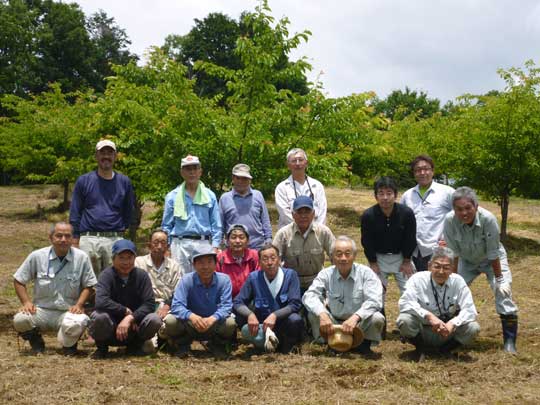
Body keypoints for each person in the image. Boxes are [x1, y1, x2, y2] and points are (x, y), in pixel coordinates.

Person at [443, 186, 519, 354]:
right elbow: (453, 253)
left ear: (476, 206)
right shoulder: (449, 221)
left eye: (468, 208)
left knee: (503, 293)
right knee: (452, 294)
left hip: (492, 260)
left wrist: (499, 279)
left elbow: (493, 252)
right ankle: (452, 335)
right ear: (453, 209)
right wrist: (455, 280)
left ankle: (509, 341)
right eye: (459, 209)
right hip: (466, 260)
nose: (464, 213)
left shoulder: (488, 219)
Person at [13, 222, 97, 355]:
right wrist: (26, 302)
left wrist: (79, 304)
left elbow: (90, 285)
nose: (63, 240)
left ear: (72, 238)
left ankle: (68, 345)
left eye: (67, 236)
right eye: (59, 236)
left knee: (79, 321)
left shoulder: (81, 257)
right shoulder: (37, 256)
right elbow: (18, 280)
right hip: (41, 310)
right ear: (51, 238)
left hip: (67, 311)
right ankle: (36, 341)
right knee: (20, 319)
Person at [303, 236, 385, 355]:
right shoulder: (326, 274)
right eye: (339, 254)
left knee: (377, 318)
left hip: (359, 323)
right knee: (313, 313)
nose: (343, 258)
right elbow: (309, 295)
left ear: (354, 256)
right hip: (333, 323)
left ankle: (363, 345)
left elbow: (375, 300)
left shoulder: (366, 273)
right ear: (332, 257)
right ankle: (331, 344)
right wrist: (322, 313)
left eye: (348, 253)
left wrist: (356, 317)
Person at [397, 247, 480, 358]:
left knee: (473, 327)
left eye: (446, 268)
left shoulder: (458, 281)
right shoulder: (417, 279)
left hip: (447, 332)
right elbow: (405, 303)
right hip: (423, 329)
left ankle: (444, 350)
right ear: (429, 266)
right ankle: (421, 349)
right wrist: (429, 316)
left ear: (452, 269)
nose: (441, 272)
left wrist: (453, 323)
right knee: (404, 320)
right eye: (437, 266)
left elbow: (470, 310)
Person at [69, 139, 136, 276]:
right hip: (89, 239)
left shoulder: (124, 182)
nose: (106, 156)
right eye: (102, 153)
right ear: (96, 156)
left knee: (115, 282)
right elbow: (75, 212)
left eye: (110, 153)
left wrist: (121, 230)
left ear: (115, 157)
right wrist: (75, 240)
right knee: (88, 282)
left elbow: (129, 211)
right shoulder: (84, 181)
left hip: (115, 238)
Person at [89, 239, 161, 358]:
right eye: (121, 258)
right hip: (111, 325)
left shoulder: (141, 275)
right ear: (113, 259)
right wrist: (124, 310)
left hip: (134, 326)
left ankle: (135, 346)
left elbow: (149, 303)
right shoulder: (106, 275)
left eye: (129, 258)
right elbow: (100, 301)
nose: (126, 262)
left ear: (134, 259)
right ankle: (102, 348)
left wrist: (131, 317)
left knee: (154, 319)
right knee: (99, 316)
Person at [164, 245, 236, 358]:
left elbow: (227, 306)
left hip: (213, 323)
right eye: (201, 262)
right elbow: (177, 305)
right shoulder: (186, 280)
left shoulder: (224, 280)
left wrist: (213, 318)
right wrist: (192, 316)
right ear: (194, 265)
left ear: (215, 263)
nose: (205, 266)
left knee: (230, 323)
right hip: (190, 324)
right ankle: (183, 344)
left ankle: (217, 345)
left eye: (209, 262)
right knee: (170, 321)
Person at [360, 177, 417, 320]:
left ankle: (409, 324)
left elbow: (410, 238)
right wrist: (372, 262)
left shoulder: (407, 213)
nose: (385, 197)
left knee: (411, 291)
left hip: (402, 257)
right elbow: (366, 241)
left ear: (395, 195)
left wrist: (406, 260)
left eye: (389, 193)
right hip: (378, 258)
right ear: (375, 196)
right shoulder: (368, 215)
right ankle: (380, 325)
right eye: (381, 193)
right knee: (375, 292)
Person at [233, 244, 303, 354]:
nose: (269, 262)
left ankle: (287, 348)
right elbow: (238, 302)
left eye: (273, 258)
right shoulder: (254, 277)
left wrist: (275, 315)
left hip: (283, 324)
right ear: (259, 263)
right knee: (246, 328)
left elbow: (295, 304)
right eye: (265, 259)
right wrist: (250, 315)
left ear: (279, 260)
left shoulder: (290, 275)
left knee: (295, 320)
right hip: (263, 326)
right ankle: (266, 346)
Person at [162, 154, 222, 274]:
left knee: (203, 279)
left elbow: (216, 225)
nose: (192, 172)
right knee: (179, 279)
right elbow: (166, 226)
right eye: (188, 169)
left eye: (195, 168)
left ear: (200, 172)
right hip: (179, 244)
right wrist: (167, 247)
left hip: (203, 243)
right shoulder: (172, 196)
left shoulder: (209, 196)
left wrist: (215, 246)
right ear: (182, 172)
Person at [400, 155, 454, 272]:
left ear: (432, 171)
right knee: (418, 285)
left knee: (439, 284)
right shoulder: (407, 195)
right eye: (418, 170)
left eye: (426, 169)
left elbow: (459, 217)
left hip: (438, 250)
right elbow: (401, 222)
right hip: (414, 251)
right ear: (414, 173)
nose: (422, 172)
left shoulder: (447, 192)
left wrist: (450, 239)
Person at [134, 228, 184, 352]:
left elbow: (178, 292)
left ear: (167, 246)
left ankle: (165, 339)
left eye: (163, 243)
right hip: (145, 305)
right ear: (149, 245)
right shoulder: (138, 263)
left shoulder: (174, 266)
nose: (160, 246)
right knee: (148, 349)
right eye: (156, 242)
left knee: (173, 322)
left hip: (168, 306)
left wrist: (166, 306)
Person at [273, 196, 335, 292]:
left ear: (313, 214)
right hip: (291, 282)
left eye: (307, 212)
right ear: (293, 214)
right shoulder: (283, 234)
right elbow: (275, 260)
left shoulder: (323, 232)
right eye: (299, 212)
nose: (303, 216)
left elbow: (335, 256)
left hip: (318, 281)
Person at [219, 163, 272, 250]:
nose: (241, 181)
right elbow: (220, 225)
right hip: (233, 247)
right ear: (233, 178)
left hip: (257, 246)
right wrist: (220, 245)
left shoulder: (258, 195)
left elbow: (265, 220)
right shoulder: (225, 198)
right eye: (238, 178)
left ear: (249, 180)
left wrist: (268, 239)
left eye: (244, 178)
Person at [275, 148, 327, 229]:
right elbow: (285, 214)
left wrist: (316, 230)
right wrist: (302, 229)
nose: (298, 163)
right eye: (294, 161)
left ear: (306, 163)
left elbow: (322, 211)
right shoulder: (281, 188)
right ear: (288, 165)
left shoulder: (317, 185)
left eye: (300, 160)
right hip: (290, 233)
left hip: (315, 232)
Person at [216, 224, 259, 298]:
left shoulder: (255, 255)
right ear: (227, 241)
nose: (237, 241)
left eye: (241, 237)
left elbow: (259, 279)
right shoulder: (220, 258)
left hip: (251, 299)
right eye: (233, 237)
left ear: (248, 241)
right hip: (227, 300)